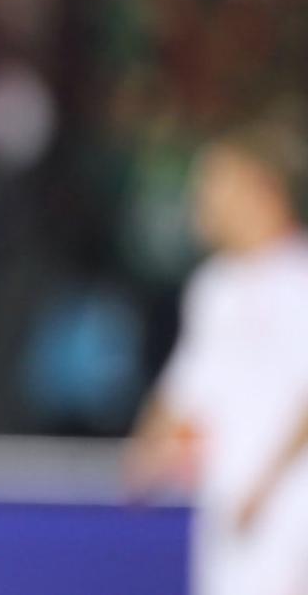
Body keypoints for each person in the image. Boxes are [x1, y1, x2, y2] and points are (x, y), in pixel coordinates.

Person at [126, 110, 308, 595]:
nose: (201, 201)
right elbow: (187, 388)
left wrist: (266, 487)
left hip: (290, 517)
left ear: (261, 188)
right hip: (226, 517)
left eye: (215, 185)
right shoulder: (214, 287)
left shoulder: (299, 279)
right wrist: (150, 445)